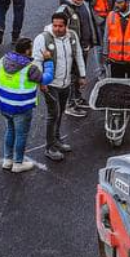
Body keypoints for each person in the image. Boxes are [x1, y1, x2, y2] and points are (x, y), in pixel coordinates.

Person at [32, 12, 85, 161]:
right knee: (53, 113)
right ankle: (50, 147)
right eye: (55, 25)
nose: (57, 28)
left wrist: (82, 75)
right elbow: (36, 61)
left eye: (60, 26)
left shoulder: (72, 36)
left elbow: (78, 55)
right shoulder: (42, 38)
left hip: (66, 82)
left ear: (66, 26)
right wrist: (41, 81)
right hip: (51, 85)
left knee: (60, 112)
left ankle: (57, 139)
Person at [0, 37, 54, 173]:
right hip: (22, 108)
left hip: (4, 105)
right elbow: (47, 78)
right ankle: (18, 163)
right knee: (21, 135)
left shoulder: (1, 62)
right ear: (27, 51)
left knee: (10, 130)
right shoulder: (30, 68)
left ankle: (7, 160)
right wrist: (48, 61)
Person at [58, 0, 101, 92]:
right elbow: (57, 31)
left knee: (80, 75)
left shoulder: (84, 5)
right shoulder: (65, 9)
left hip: (84, 47)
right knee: (71, 76)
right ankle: (70, 103)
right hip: (71, 50)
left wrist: (91, 41)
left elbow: (89, 23)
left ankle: (77, 97)